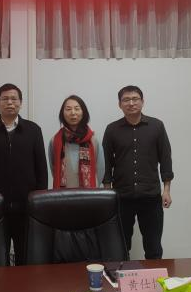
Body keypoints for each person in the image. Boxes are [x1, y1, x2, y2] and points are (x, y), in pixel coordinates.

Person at [0, 83, 48, 265]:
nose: (10, 102)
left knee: (27, 256)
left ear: (20, 103)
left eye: (14, 99)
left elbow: (41, 169)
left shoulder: (33, 130)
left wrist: (39, 201)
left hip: (26, 207)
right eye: (5, 99)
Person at [102, 86, 173, 259]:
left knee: (153, 246)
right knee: (120, 245)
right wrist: (107, 193)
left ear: (142, 101)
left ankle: (154, 276)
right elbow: (106, 163)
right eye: (126, 100)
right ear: (119, 104)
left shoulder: (157, 126)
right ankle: (120, 276)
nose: (131, 103)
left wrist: (166, 190)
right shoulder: (112, 129)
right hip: (122, 197)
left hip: (151, 197)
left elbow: (165, 158)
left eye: (135, 99)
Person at [48, 95, 104, 189]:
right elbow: (54, 168)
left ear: (83, 112)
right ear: (62, 113)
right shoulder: (55, 141)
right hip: (63, 194)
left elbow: (100, 169)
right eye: (68, 109)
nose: (73, 113)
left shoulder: (93, 140)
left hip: (89, 194)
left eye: (77, 109)